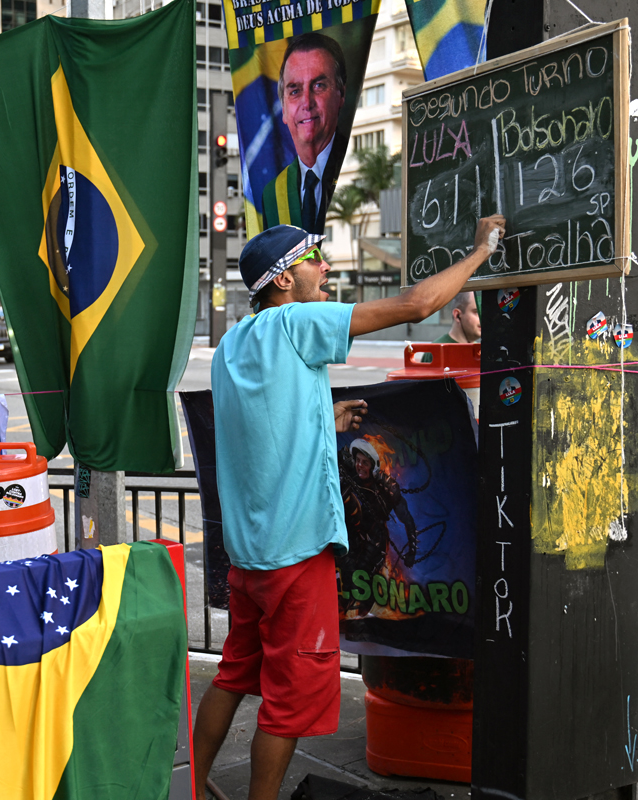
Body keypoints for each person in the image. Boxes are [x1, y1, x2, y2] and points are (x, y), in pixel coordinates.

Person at [192, 213, 504, 800]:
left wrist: (323, 420)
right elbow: (415, 305)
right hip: (295, 557)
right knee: (286, 706)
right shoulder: (296, 322)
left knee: (234, 674)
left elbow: (261, 429)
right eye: (314, 259)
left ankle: (196, 786)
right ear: (285, 279)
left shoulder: (235, 341)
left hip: (248, 559)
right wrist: (479, 251)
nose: (326, 267)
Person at [260, 33, 351, 235]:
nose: (307, 103)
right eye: (294, 90)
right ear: (283, 109)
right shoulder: (273, 194)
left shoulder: (354, 169)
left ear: (341, 95)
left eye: (319, 86)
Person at [338, 438, 418, 615]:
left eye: (365, 463)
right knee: (345, 580)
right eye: (358, 461)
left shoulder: (386, 488)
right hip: (350, 537)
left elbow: (407, 519)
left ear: (373, 465)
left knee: (365, 587)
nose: (360, 466)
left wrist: (412, 550)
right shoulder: (347, 477)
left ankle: (363, 620)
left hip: (374, 540)